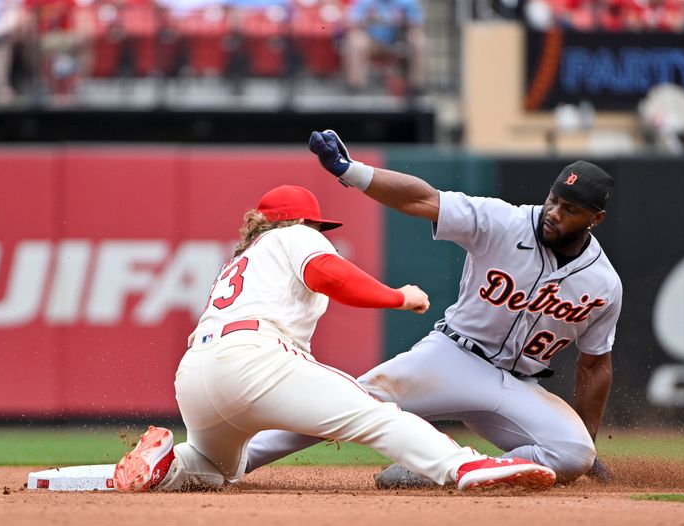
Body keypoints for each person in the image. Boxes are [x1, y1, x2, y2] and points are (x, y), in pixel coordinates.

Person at [113, 184, 557, 492]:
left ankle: (167, 466)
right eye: (317, 227)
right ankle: (464, 465)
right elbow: (329, 273)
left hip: (195, 375)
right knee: (377, 414)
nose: (321, 235)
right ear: (302, 221)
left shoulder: (245, 257)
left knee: (217, 468)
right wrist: (398, 297)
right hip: (254, 358)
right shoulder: (294, 235)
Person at [244, 130, 622, 487]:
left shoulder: (603, 284)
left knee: (572, 455)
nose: (553, 212)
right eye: (554, 199)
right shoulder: (503, 222)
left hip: (518, 386)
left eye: (569, 208)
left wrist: (587, 442)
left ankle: (438, 470)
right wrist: (351, 171)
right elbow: (422, 199)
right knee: (345, 404)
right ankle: (229, 460)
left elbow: (594, 364)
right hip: (452, 358)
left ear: (596, 219)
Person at [344, 0, 425, 95]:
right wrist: (367, 19)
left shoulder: (407, 2)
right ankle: (356, 86)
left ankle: (416, 86)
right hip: (371, 43)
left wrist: (403, 20)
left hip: (398, 42)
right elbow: (351, 24)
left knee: (418, 39)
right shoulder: (364, 2)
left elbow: (418, 24)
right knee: (356, 40)